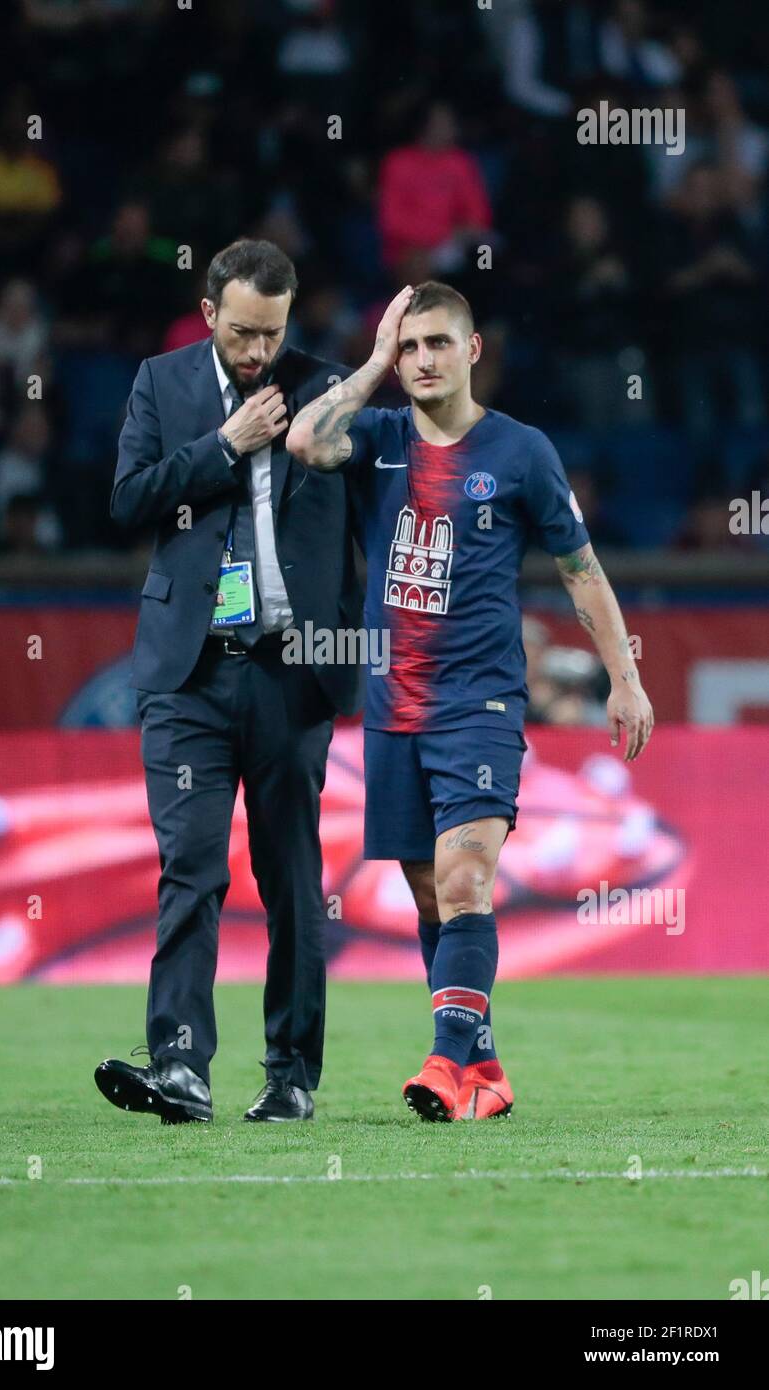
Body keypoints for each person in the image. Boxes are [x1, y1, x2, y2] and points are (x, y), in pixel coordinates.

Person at [287, 281, 654, 1122]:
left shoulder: (522, 453)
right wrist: (371, 361)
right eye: (409, 348)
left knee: (464, 879)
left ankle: (445, 1063)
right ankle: (485, 1070)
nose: (421, 360)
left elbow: (580, 571)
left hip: (480, 702)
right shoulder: (375, 436)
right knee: (429, 895)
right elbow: (305, 438)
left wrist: (624, 677)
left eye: (436, 344)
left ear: (473, 350)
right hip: (392, 708)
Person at [96, 239, 362, 1124]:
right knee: (191, 866)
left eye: (273, 334)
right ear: (209, 312)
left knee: (291, 878)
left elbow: (380, 502)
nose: (257, 353)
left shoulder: (326, 389)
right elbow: (128, 502)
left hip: (292, 672)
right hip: (189, 673)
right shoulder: (161, 384)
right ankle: (179, 1066)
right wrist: (223, 446)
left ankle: (290, 1074)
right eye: (243, 332)